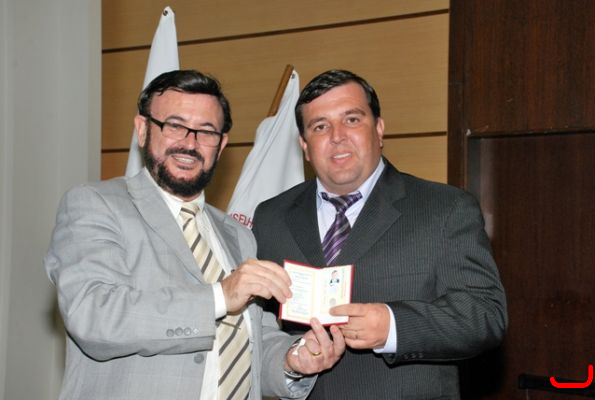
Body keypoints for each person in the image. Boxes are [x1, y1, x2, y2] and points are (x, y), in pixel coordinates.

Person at [44, 69, 345, 400]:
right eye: (175, 126)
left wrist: (292, 361)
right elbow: (93, 315)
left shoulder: (237, 234)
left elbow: (253, 340)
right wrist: (220, 297)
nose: (190, 143)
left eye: (206, 131)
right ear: (142, 130)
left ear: (222, 144)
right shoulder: (95, 205)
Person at [252, 69, 507, 399]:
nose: (337, 136)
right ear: (304, 146)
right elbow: (255, 329)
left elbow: (485, 315)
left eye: (352, 120)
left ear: (379, 129)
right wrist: (290, 363)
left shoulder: (444, 209)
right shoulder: (271, 217)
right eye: (320, 126)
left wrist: (392, 326)